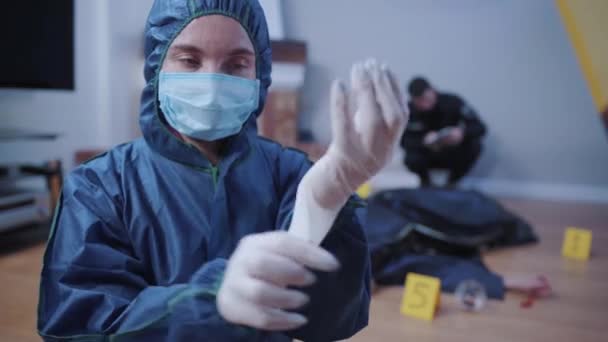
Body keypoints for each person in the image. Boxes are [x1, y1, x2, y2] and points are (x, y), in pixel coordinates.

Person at [37, 0, 409, 341]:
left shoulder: (292, 175)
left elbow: (333, 320)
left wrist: (325, 205)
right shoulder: (99, 186)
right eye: (189, 60)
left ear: (259, 75)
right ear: (156, 67)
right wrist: (209, 301)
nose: (213, 82)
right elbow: (77, 326)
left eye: (236, 64)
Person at [400, 77, 486, 186]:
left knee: (475, 146)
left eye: (426, 99)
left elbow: (480, 128)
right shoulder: (408, 110)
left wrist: (462, 133)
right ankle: (425, 182)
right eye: (419, 101)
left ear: (433, 91)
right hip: (426, 153)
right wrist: (423, 141)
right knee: (411, 157)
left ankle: (452, 183)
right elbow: (403, 141)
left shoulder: (452, 101)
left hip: (452, 151)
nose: (424, 105)